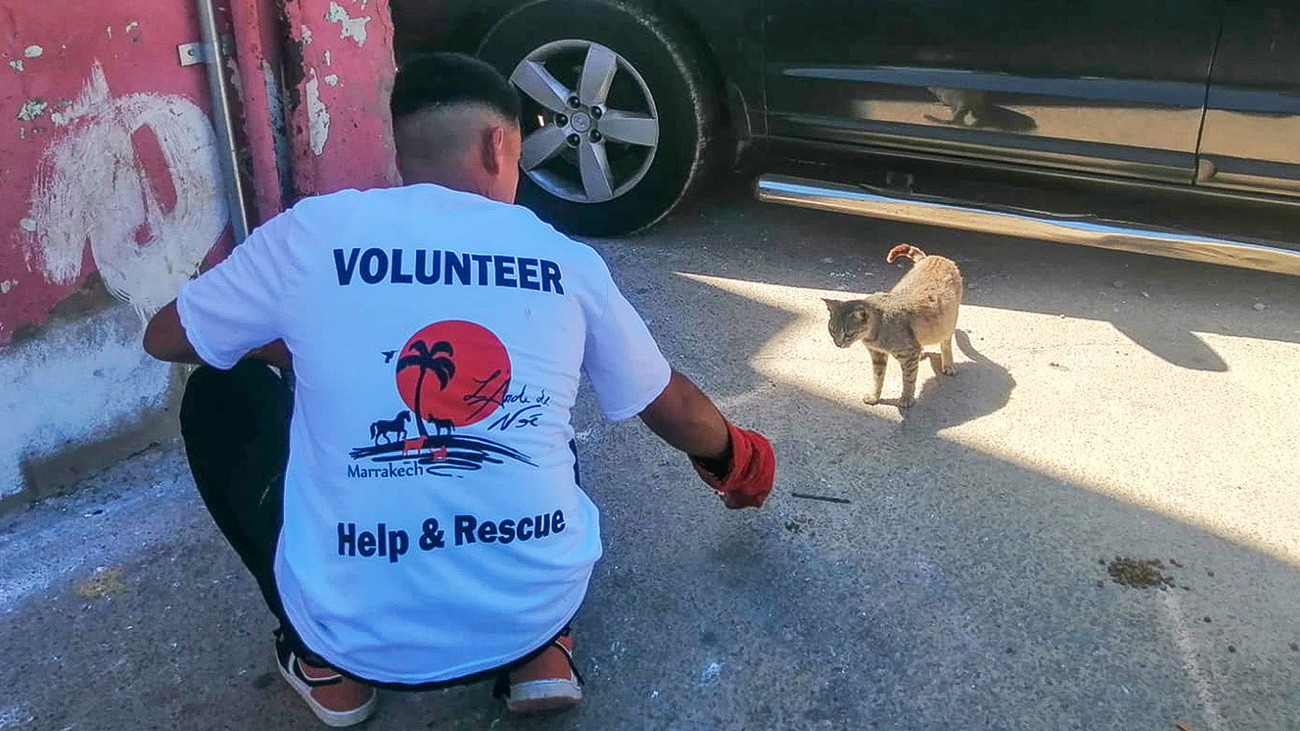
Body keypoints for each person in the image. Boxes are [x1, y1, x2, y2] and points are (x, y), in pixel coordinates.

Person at [143, 52, 775, 727]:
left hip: (354, 633)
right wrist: (736, 459)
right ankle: (542, 655)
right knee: (538, 390)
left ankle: (330, 672)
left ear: (403, 148)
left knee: (220, 389)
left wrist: (301, 343)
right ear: (497, 145)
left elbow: (167, 338)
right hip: (535, 606)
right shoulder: (562, 255)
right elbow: (668, 401)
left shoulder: (314, 232)